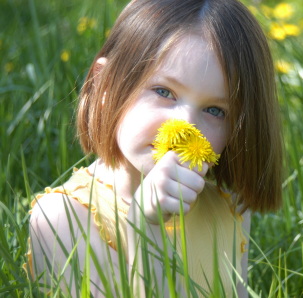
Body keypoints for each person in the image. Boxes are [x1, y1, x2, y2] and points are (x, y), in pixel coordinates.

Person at [27, 0, 283, 296]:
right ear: (103, 84)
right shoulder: (63, 218)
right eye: (165, 92)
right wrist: (145, 227)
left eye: (215, 110)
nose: (186, 126)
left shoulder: (229, 206)